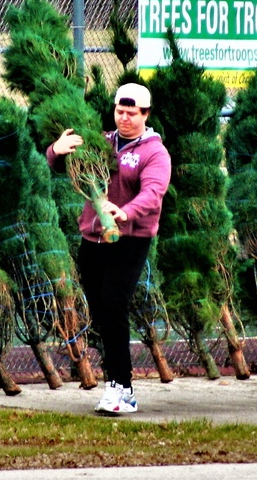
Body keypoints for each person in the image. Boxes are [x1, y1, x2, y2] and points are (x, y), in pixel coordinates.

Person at [46, 82, 171, 415]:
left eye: (132, 113)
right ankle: (114, 382)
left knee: (115, 305)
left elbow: (154, 192)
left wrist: (126, 211)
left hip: (130, 239)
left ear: (146, 114)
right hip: (93, 239)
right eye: (120, 111)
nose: (125, 118)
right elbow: (59, 166)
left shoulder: (154, 152)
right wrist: (56, 150)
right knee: (101, 315)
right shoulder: (101, 142)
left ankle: (122, 388)